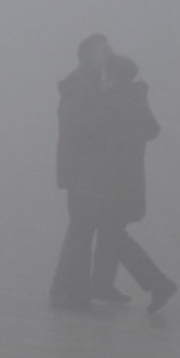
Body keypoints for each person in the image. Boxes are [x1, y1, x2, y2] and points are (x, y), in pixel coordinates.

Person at [88, 54, 176, 312]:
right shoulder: (134, 99)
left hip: (117, 181)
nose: (102, 79)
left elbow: (108, 140)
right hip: (128, 180)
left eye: (105, 74)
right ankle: (102, 284)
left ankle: (159, 283)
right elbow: (152, 130)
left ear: (115, 78)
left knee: (113, 234)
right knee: (110, 231)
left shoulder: (119, 102)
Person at [50, 33, 115, 310]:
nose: (108, 56)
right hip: (81, 173)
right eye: (103, 52)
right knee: (81, 230)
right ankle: (70, 291)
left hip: (88, 172)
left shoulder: (90, 83)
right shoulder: (80, 85)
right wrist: (105, 98)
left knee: (81, 229)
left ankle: (66, 287)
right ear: (87, 56)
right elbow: (77, 127)